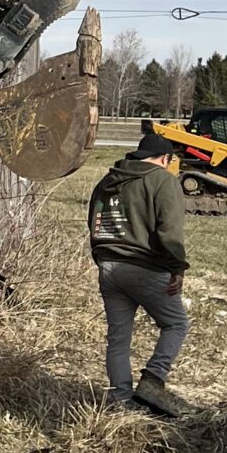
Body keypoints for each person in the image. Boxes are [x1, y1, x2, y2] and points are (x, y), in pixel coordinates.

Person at [88, 127, 190, 415]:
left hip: (108, 267)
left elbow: (93, 222)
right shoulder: (163, 181)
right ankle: (153, 379)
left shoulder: (108, 180)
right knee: (175, 324)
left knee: (118, 338)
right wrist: (176, 268)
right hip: (145, 267)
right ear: (165, 158)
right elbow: (169, 230)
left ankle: (120, 402)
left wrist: (101, 257)